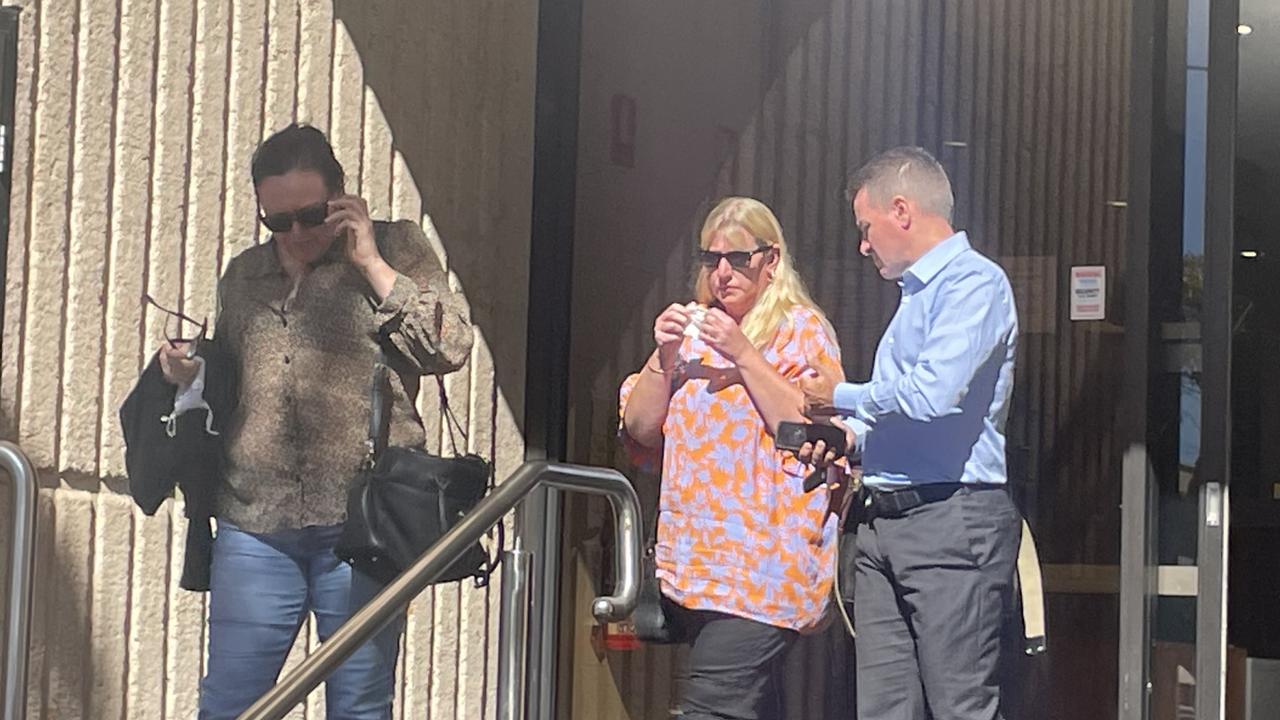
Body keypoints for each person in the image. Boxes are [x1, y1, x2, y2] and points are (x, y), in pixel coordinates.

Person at [156, 123, 473, 719]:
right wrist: (189, 374)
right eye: (277, 221)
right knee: (230, 704)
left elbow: (449, 347)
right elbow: (234, 387)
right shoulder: (244, 275)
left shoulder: (395, 246)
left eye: (309, 215)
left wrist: (372, 264)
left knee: (357, 704)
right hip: (255, 521)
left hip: (360, 524)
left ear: (341, 196)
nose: (295, 234)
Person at [801, 146, 1021, 720]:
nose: (863, 244)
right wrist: (852, 439)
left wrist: (839, 395)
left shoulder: (976, 284)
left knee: (961, 706)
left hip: (951, 518)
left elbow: (932, 396)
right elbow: (917, 421)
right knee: (883, 709)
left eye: (866, 226)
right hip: (886, 520)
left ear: (901, 211)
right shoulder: (915, 297)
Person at [618, 197, 843, 720]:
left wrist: (743, 355)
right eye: (711, 259)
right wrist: (663, 355)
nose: (722, 273)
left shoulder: (800, 330)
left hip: (763, 573)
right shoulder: (696, 332)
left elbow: (808, 426)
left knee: (712, 708)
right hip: (695, 570)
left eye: (737, 259)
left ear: (770, 259)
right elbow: (641, 428)